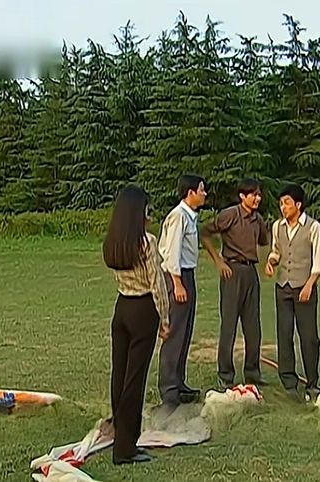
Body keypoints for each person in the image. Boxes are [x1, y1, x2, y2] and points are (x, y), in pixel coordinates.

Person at [102, 185, 170, 465]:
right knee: (135, 379)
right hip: (143, 309)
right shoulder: (146, 242)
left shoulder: (115, 241)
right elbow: (157, 284)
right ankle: (125, 447)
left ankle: (119, 431)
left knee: (119, 375)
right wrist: (165, 320)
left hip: (122, 307)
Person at [200, 178, 269, 388]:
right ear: (242, 196)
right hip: (232, 271)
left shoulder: (258, 220)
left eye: (259, 194)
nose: (257, 198)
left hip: (250, 272)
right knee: (229, 325)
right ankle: (225, 374)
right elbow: (205, 232)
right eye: (253, 195)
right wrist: (218, 261)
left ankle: (252, 372)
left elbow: (264, 242)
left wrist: (267, 263)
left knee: (253, 326)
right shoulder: (230, 215)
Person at [265, 183, 320, 402]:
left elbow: (319, 260)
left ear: (298, 205)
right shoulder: (277, 227)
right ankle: (288, 380)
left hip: (304, 287)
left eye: (287, 203)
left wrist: (310, 284)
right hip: (283, 286)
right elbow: (276, 251)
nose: (283, 207)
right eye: (281, 203)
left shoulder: (313, 227)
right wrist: (271, 262)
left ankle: (312, 382)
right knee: (284, 334)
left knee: (309, 337)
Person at [157, 174, 207, 408]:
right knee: (176, 331)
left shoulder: (190, 217)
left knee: (185, 331)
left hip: (188, 274)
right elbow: (171, 252)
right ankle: (168, 389)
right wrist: (177, 283)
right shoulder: (178, 216)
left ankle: (179, 382)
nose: (204, 194)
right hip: (177, 275)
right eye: (201, 190)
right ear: (190, 193)